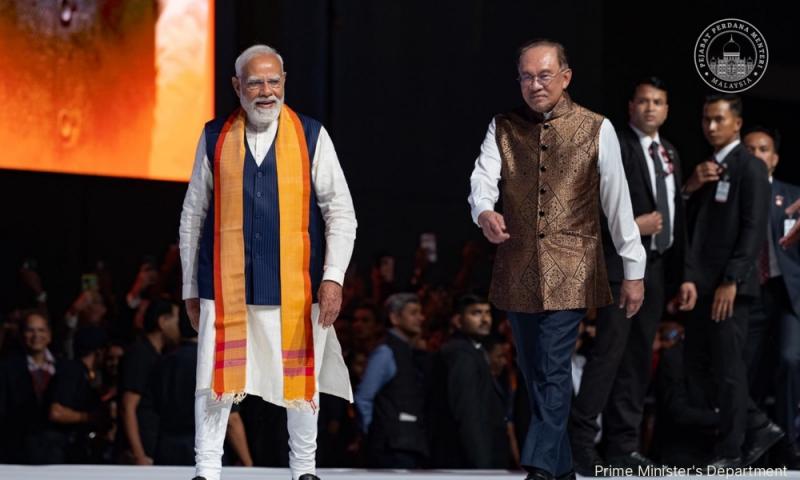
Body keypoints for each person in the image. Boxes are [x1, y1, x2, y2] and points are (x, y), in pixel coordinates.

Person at [468, 38, 646, 480]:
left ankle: (540, 468)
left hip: (573, 266)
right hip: (517, 265)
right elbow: (483, 177)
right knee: (533, 370)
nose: (535, 84)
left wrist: (634, 270)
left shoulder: (597, 127)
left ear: (565, 77)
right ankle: (563, 467)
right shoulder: (502, 126)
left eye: (544, 75)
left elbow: (617, 204)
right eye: (526, 77)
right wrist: (484, 211)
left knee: (551, 363)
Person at [179, 44, 357, 480]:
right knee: (215, 380)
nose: (266, 91)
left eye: (273, 81)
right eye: (255, 82)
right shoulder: (214, 136)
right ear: (237, 86)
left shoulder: (311, 135)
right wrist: (189, 288)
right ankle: (206, 469)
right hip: (224, 284)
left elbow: (340, 211)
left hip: (295, 284)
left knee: (301, 382)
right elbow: (193, 215)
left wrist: (333, 278)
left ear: (284, 82)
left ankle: (305, 470)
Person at [569, 77, 697, 473]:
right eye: (643, 101)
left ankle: (623, 446)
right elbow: (587, 202)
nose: (650, 107)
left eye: (658, 101)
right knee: (608, 354)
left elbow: (677, 215)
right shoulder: (616, 144)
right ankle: (579, 444)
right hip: (619, 263)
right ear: (630, 107)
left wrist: (685, 273)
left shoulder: (669, 151)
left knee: (639, 358)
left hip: (654, 266)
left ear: (667, 109)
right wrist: (633, 226)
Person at [682, 94, 780, 468]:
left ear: (736, 123)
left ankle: (730, 451)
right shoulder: (706, 167)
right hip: (702, 285)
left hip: (730, 287)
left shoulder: (751, 167)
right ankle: (758, 425)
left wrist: (732, 279)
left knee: (728, 369)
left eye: (718, 119)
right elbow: (694, 230)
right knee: (699, 367)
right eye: (706, 119)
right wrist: (690, 186)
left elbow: (753, 229)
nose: (711, 126)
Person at [743, 126, 800, 467]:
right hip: (748, 292)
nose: (755, 155)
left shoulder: (793, 195)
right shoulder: (731, 195)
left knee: (790, 360)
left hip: (788, 292)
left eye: (762, 149)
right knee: (746, 368)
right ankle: (753, 442)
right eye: (749, 149)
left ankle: (790, 444)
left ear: (774, 159)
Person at [430, 294, 510, 468]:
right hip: (471, 462)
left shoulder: (474, 351)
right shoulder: (461, 354)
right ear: (458, 321)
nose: (485, 319)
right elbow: (467, 412)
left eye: (487, 313)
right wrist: (481, 466)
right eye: (476, 313)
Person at [354, 293, 429, 468]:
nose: (421, 318)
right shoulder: (386, 352)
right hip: (391, 448)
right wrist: (373, 431)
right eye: (413, 313)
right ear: (394, 318)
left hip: (409, 443)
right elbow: (363, 397)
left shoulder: (409, 351)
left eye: (420, 312)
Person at [119, 298, 180, 464]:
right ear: (162, 321)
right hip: (142, 453)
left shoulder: (158, 355)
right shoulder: (140, 354)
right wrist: (138, 455)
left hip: (153, 446)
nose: (179, 327)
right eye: (176, 320)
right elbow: (128, 406)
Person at [0, 311, 60, 464]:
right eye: (30, 330)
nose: (36, 335)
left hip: (58, 452)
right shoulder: (7, 368)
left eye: (41, 330)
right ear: (22, 335)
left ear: (49, 335)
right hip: (17, 452)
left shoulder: (64, 367)